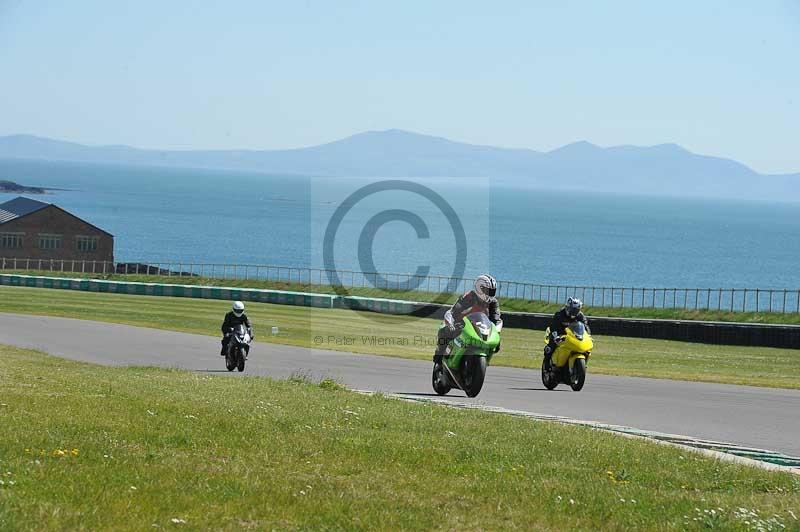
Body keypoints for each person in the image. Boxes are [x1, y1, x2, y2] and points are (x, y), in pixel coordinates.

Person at [433, 274, 503, 363]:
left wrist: (496, 334)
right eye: (488, 291)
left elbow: (496, 320)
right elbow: (452, 312)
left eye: (492, 292)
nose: (490, 294)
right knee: (444, 331)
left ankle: (484, 362)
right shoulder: (469, 297)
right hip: (461, 325)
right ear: (479, 288)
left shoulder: (493, 302)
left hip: (480, 329)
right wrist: (451, 324)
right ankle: (439, 358)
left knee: (497, 345)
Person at [543, 297, 589, 366]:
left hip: (572, 336)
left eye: (576, 310)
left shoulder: (580, 316)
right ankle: (546, 367)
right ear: (568, 307)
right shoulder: (560, 315)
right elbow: (553, 327)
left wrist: (588, 335)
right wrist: (556, 337)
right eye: (573, 310)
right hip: (560, 334)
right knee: (549, 348)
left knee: (586, 350)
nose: (574, 312)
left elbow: (585, 327)